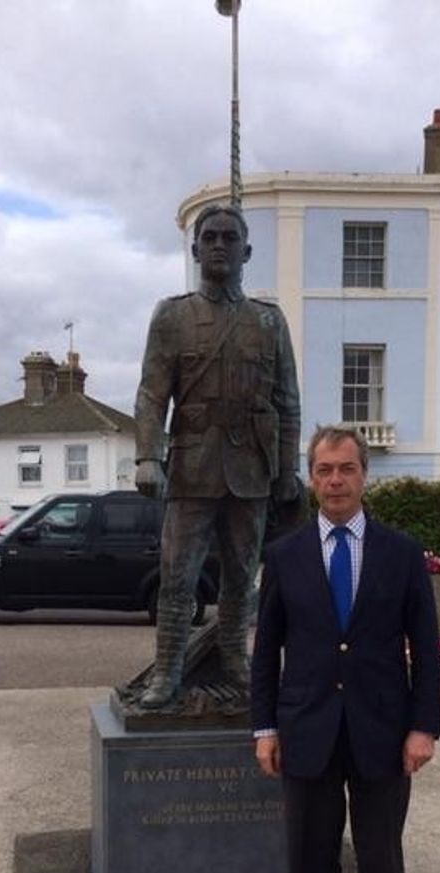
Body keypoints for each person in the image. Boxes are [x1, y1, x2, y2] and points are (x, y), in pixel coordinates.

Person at [251, 426, 440, 873]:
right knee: (310, 855)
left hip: (383, 731)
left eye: (346, 469)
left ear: (365, 475)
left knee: (381, 854)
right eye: (324, 470)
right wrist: (264, 728)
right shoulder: (284, 554)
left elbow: (426, 647)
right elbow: (267, 651)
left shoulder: (401, 552)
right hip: (305, 728)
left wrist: (423, 727)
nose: (335, 480)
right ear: (311, 479)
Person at [134, 203, 301, 708]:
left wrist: (288, 468)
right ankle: (167, 673)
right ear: (195, 249)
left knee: (241, 577)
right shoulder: (172, 316)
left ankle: (236, 663)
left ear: (247, 251)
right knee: (179, 577)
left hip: (251, 472)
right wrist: (148, 456)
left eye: (230, 238)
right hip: (190, 469)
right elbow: (150, 395)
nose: (220, 246)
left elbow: (287, 401)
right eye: (210, 238)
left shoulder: (269, 323)